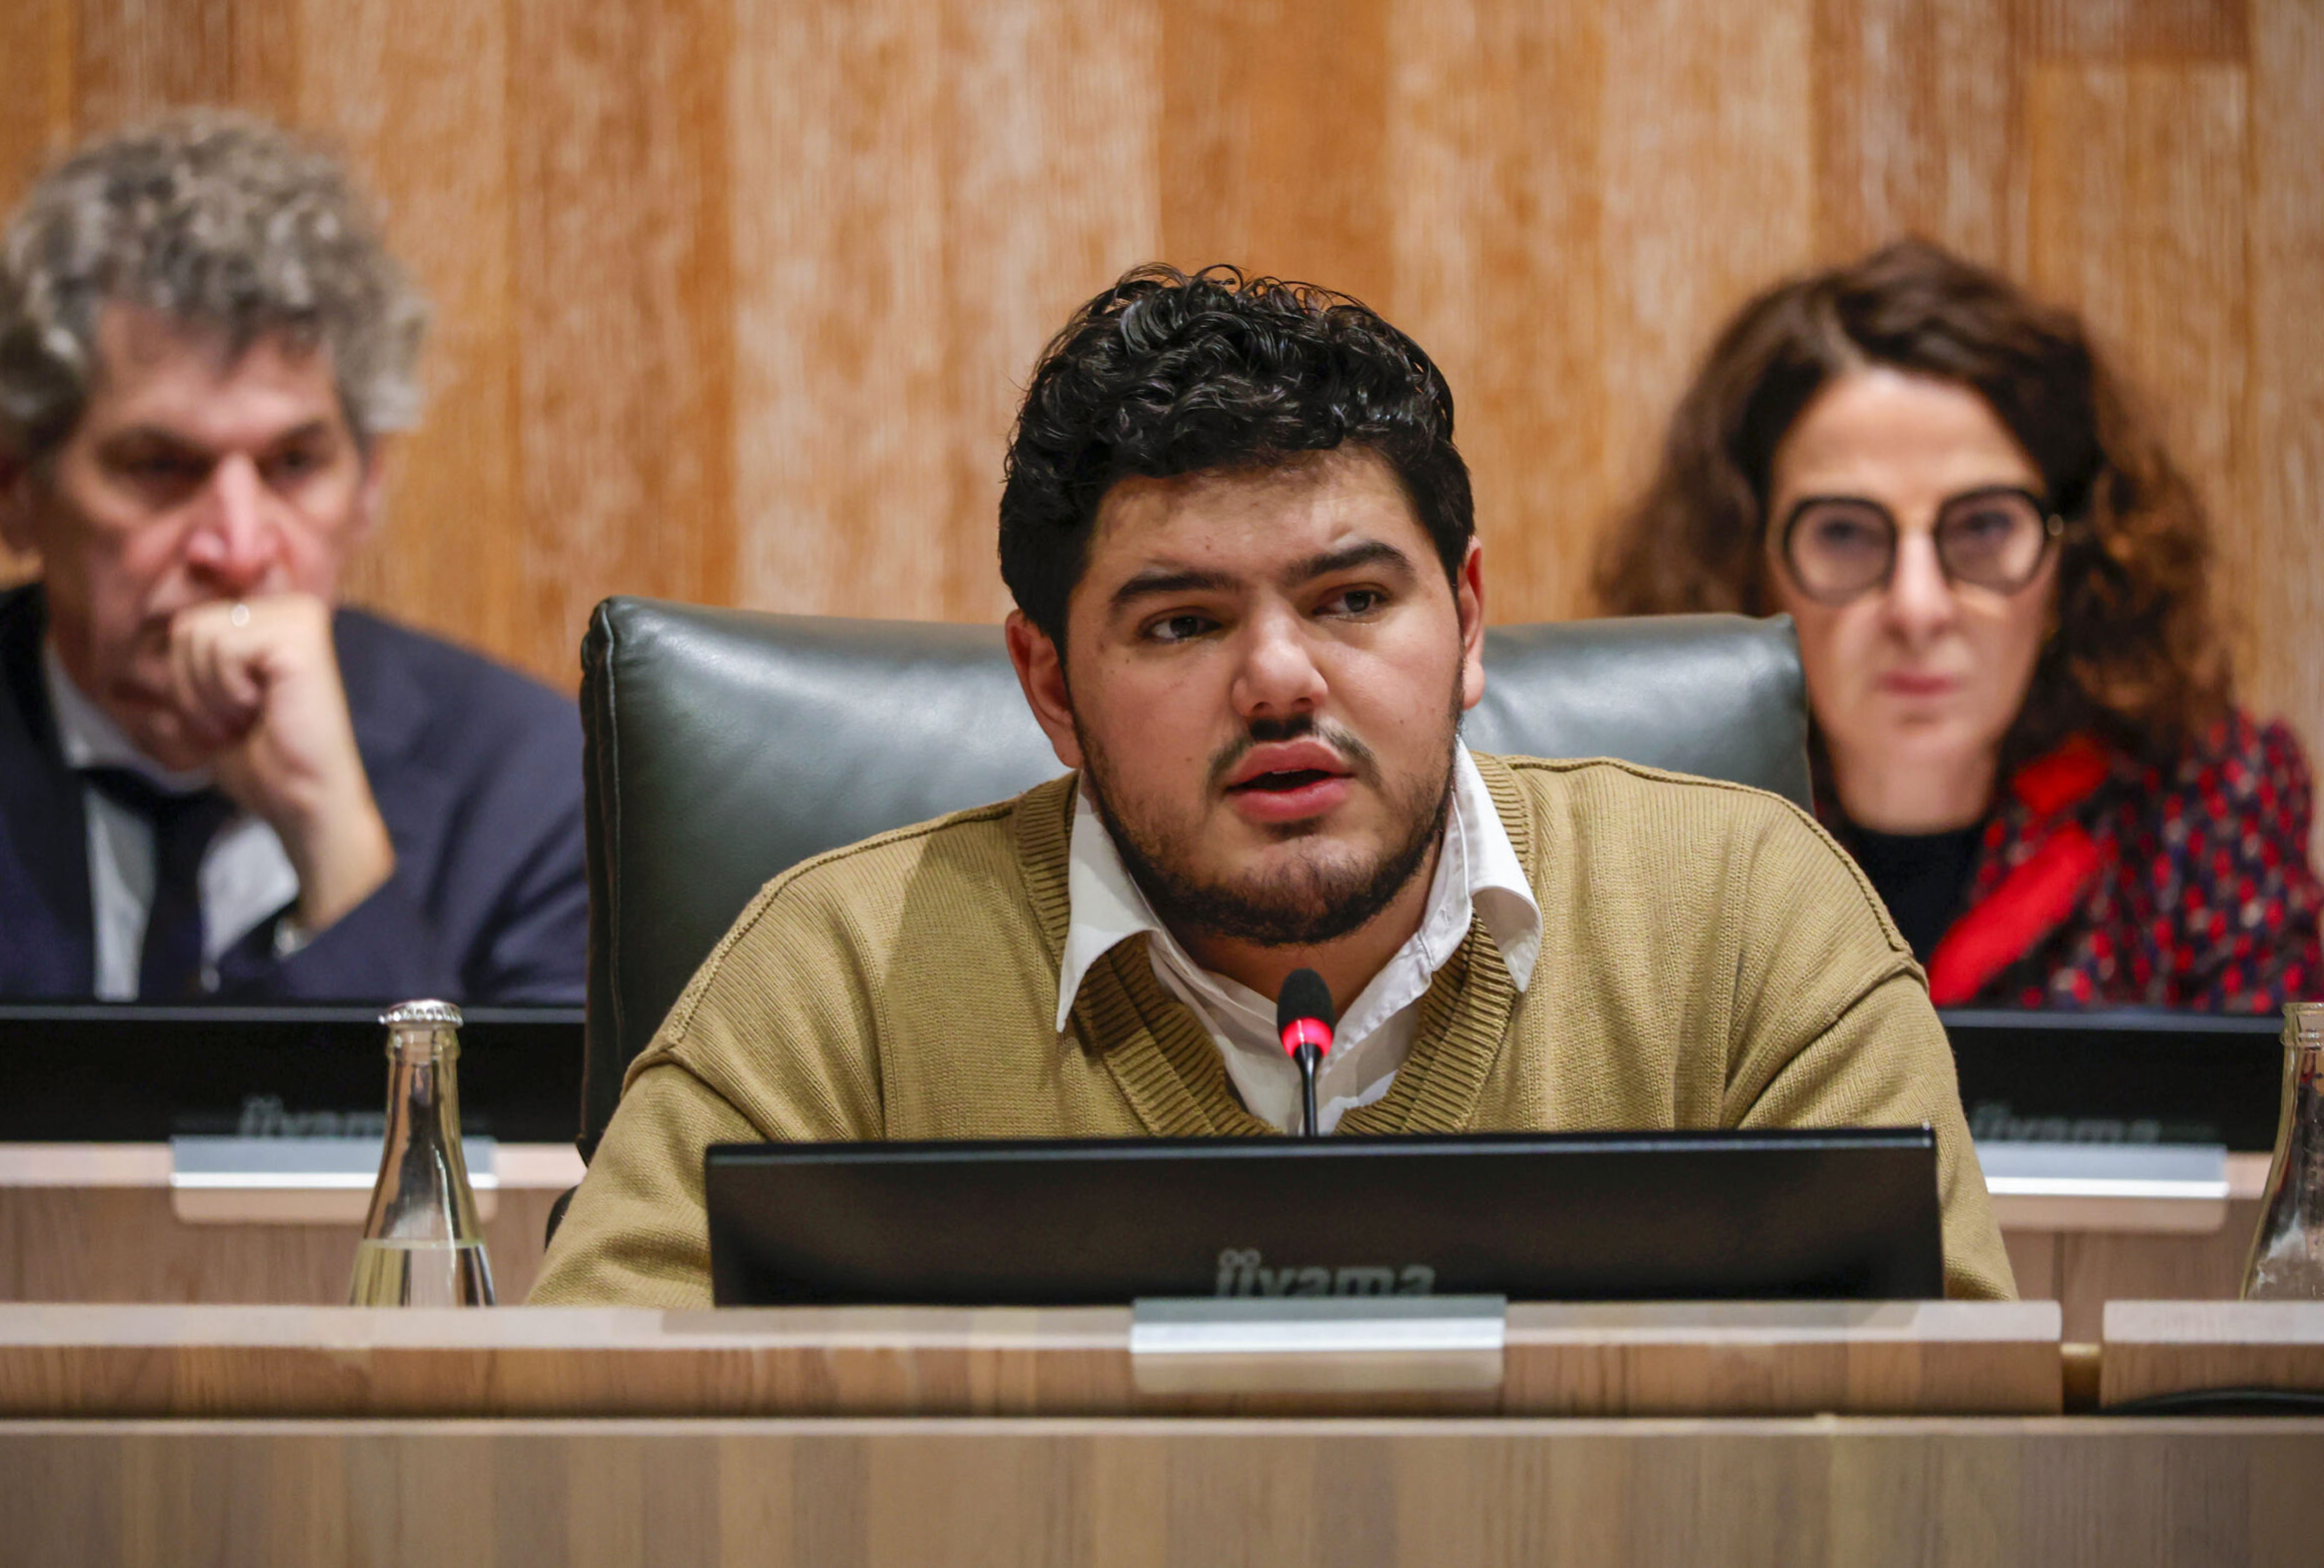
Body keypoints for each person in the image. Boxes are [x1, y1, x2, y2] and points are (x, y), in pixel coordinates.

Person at [532, 264, 2012, 1306]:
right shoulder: (844, 978)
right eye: (1181, 622)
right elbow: (573, 1454)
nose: (1282, 679)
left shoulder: (1745, 922)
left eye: (1355, 599)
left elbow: (1957, 1441)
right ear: (1050, 683)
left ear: (1471, 619)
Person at [0, 113, 587, 1006]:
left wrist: (334, 839)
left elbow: (514, 1142)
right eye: (160, 467)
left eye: (294, 465)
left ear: (369, 484)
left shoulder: (528, 784)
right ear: (11, 484)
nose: (236, 549)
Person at [1595, 239, 2322, 1012]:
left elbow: (2286, 1120)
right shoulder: (1655, 827)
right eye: (1844, 532)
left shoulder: (2204, 806)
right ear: (1747, 564)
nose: (1918, 606)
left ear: (2073, 556)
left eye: (1981, 528)